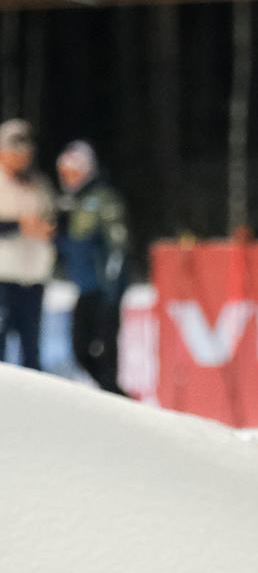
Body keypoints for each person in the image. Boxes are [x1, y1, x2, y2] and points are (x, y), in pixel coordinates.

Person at [55, 140, 131, 395]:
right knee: (80, 350)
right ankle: (114, 398)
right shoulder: (71, 202)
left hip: (104, 289)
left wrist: (112, 291)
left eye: (73, 171)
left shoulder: (102, 199)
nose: (68, 177)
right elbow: (72, 246)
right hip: (85, 288)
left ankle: (119, 402)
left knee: (105, 351)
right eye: (64, 172)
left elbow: (117, 245)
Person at [0, 118, 55, 372]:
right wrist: (18, 226)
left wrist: (48, 229)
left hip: (33, 277)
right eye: (16, 151)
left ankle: (32, 408)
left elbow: (54, 219)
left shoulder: (40, 184)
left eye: (26, 152)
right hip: (3, 278)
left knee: (31, 349)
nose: (22, 157)